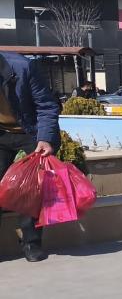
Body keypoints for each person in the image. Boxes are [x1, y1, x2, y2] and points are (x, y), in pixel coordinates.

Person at [0, 51, 62, 261]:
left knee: (33, 186)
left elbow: (47, 105)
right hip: (2, 133)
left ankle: (31, 241)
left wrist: (45, 138)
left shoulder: (24, 67)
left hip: (31, 131)